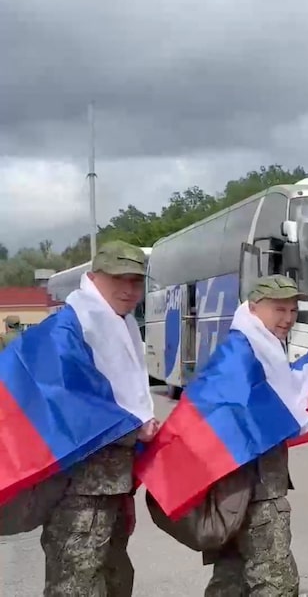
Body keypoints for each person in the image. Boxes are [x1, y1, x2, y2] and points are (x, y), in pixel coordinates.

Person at [203, 274, 308, 597]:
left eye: (293, 310)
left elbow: (288, 385)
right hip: (255, 490)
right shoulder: (243, 352)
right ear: (254, 307)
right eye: (279, 309)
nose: (288, 318)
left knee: (231, 578)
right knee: (276, 583)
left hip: (239, 491)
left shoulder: (257, 346)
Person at [40, 240, 160, 596]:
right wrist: (132, 430)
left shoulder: (122, 325)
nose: (129, 289)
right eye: (118, 279)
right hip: (78, 490)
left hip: (111, 485)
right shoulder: (70, 326)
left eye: (136, 281)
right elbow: (66, 401)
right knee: (75, 585)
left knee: (115, 578)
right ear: (93, 278)